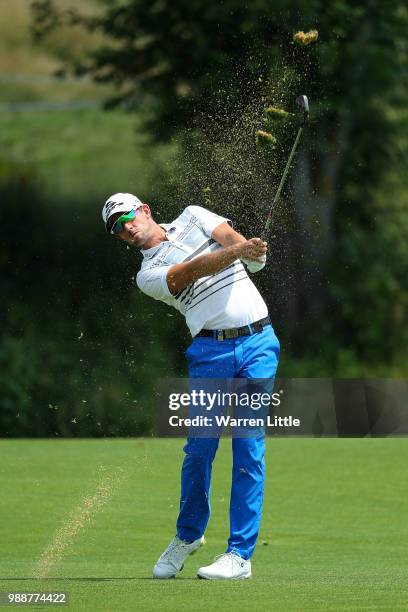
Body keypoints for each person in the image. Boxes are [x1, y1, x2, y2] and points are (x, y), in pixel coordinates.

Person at [102, 192, 280, 580]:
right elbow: (193, 270)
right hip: (209, 352)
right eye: (117, 228)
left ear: (144, 210)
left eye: (127, 217)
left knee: (249, 446)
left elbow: (237, 244)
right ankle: (188, 536)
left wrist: (255, 253)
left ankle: (239, 556)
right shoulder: (147, 275)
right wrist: (240, 252)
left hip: (258, 343)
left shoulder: (194, 214)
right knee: (200, 449)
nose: (126, 228)